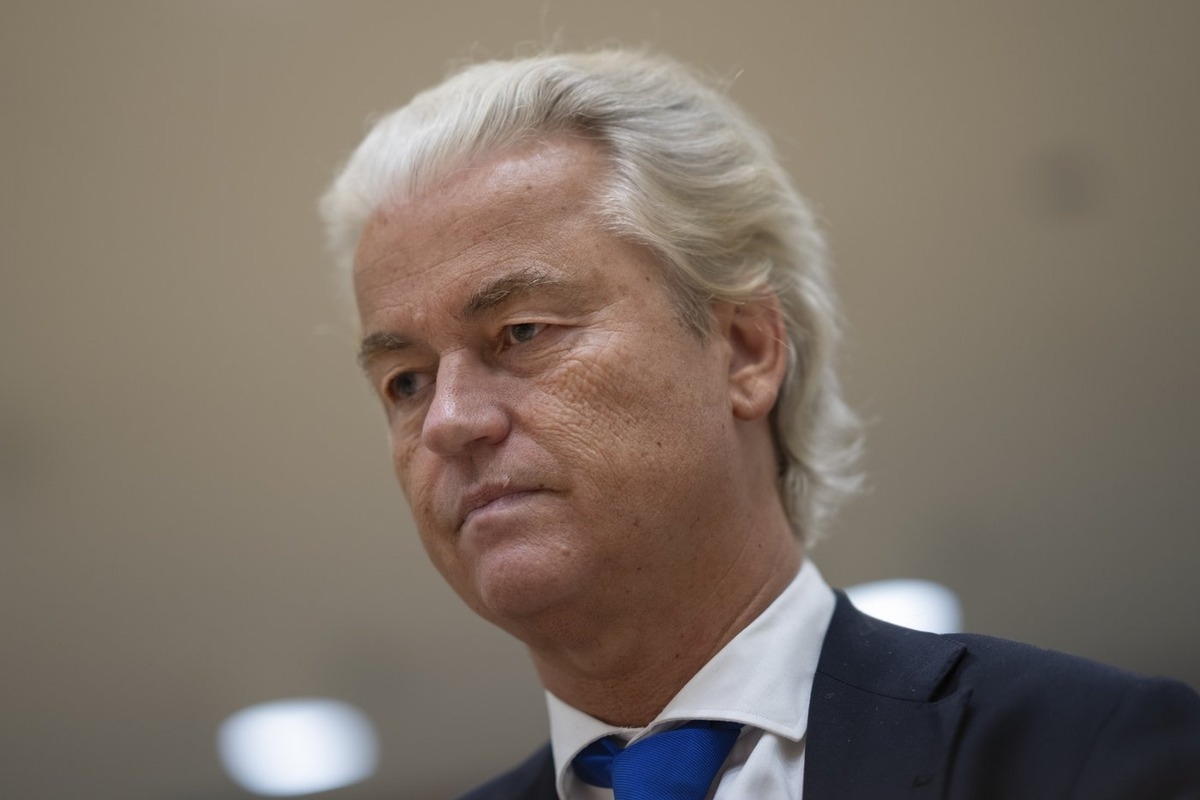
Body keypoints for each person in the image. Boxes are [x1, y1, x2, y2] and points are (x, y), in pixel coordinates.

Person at [320, 49, 1200, 800]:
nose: (449, 422)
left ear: (745, 350)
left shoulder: (1094, 753)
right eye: (406, 382)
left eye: (521, 332)